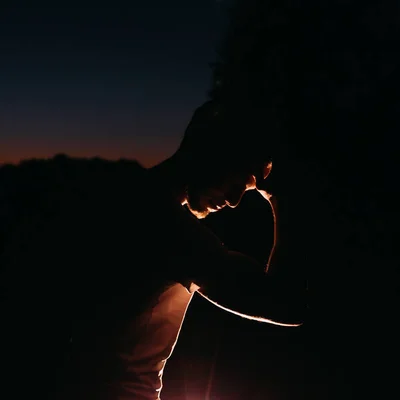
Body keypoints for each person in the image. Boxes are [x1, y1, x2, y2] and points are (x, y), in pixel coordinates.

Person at [0, 100, 305, 400]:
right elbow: (286, 305)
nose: (236, 200)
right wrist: (284, 200)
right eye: (239, 179)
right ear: (212, 150)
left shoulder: (113, 197)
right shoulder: (168, 228)